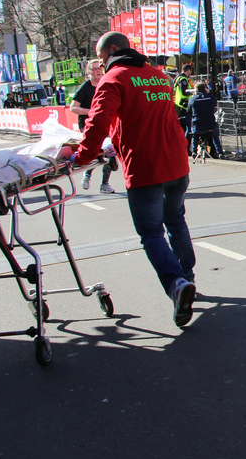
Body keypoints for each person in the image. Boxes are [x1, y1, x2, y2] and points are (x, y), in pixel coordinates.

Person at [63, 32, 197, 328]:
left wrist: (82, 157)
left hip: (145, 167)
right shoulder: (158, 76)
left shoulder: (113, 79)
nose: (101, 65)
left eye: (101, 58)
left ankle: (177, 285)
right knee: (176, 220)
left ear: (112, 50)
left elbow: (97, 122)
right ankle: (187, 277)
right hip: (176, 162)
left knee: (151, 233)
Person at [69, 59, 115, 193]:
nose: (98, 71)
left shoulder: (106, 84)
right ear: (89, 72)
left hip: (105, 123)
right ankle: (88, 174)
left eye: (100, 68)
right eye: (94, 69)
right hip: (88, 124)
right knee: (96, 151)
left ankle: (105, 184)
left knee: (110, 152)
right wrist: (92, 112)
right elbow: (73, 107)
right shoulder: (85, 87)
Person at [187, 80, 222, 158]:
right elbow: (214, 103)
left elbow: (189, 113)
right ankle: (219, 152)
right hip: (210, 126)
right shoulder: (210, 97)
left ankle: (194, 151)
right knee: (215, 135)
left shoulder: (192, 99)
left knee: (195, 134)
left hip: (197, 127)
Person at [174, 63, 194, 155]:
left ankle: (181, 147)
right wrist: (193, 92)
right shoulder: (183, 79)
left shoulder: (178, 78)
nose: (190, 74)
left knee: (182, 129)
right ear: (188, 70)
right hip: (183, 106)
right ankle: (186, 148)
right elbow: (184, 91)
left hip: (179, 106)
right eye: (190, 71)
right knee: (188, 128)